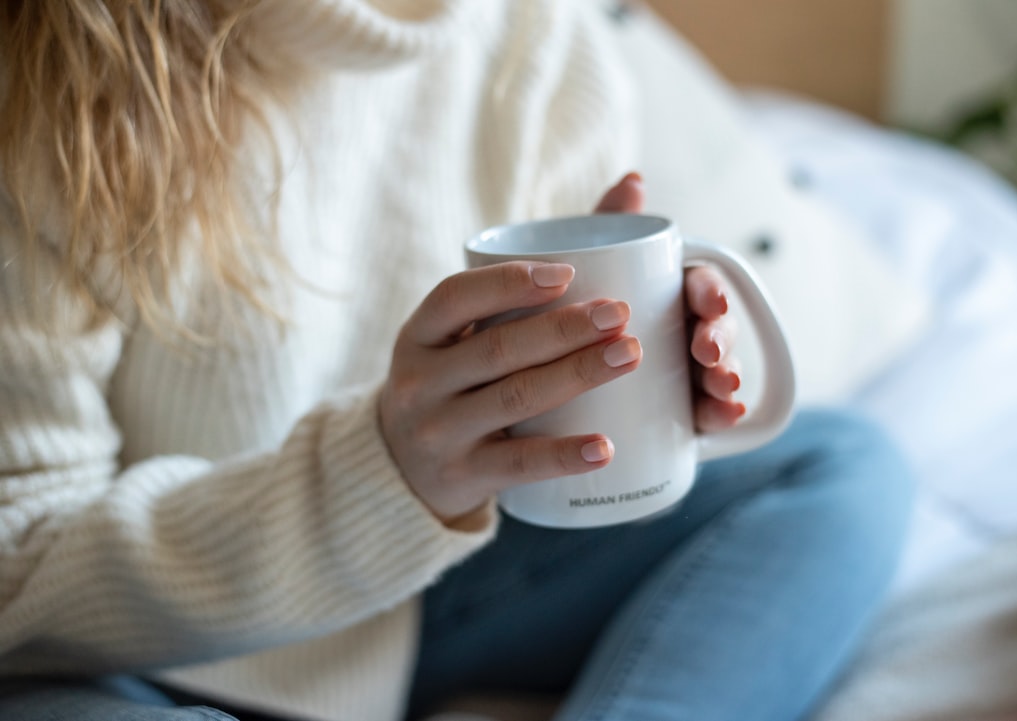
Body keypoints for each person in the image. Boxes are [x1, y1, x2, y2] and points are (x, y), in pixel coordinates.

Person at [0, 1, 914, 720]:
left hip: (431, 596)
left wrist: (653, 394)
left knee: (842, 466)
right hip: (140, 651)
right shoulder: (47, 77)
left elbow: (557, 436)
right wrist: (385, 473)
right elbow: (20, 568)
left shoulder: (539, 36)